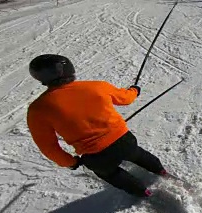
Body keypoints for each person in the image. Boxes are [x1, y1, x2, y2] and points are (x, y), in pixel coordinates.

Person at [26, 54, 167, 198]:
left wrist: (70, 162)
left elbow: (48, 147)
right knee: (136, 153)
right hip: (124, 141)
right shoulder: (98, 86)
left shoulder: (37, 109)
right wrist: (134, 90)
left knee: (110, 173)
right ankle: (159, 169)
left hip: (96, 155)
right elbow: (126, 99)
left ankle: (142, 191)